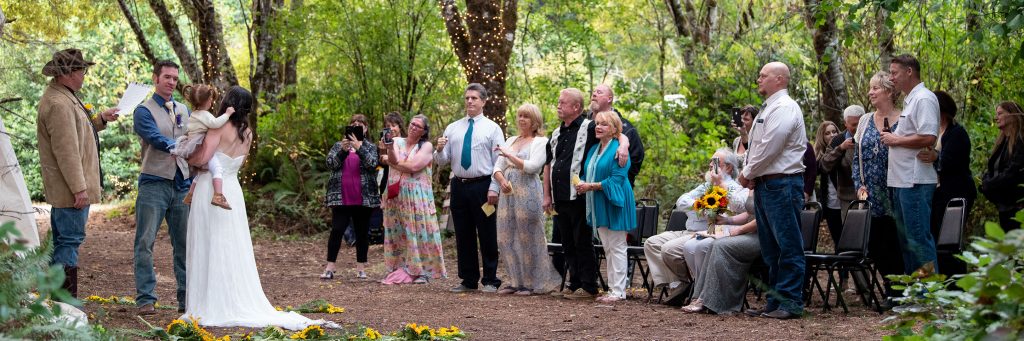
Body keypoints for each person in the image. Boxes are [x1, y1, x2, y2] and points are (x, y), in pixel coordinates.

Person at [181, 86, 331, 329]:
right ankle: (231, 296)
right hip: (232, 190)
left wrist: (186, 154)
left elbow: (201, 159)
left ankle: (209, 303)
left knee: (208, 242)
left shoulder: (217, 127)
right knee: (231, 245)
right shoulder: (248, 133)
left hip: (211, 189)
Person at [36, 48, 120, 299]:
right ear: (67, 74)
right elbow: (67, 151)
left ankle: (57, 304)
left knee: (64, 242)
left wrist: (101, 119)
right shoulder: (59, 103)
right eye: (81, 70)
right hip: (70, 191)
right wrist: (79, 189)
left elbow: (78, 131)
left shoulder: (65, 96)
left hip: (69, 189)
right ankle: (65, 305)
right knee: (68, 243)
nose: (84, 75)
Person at [543, 88, 629, 301]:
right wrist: (546, 195)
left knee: (582, 241)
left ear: (576, 107)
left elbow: (617, 132)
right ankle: (574, 282)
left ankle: (589, 285)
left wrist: (625, 146)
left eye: (563, 102)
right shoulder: (555, 133)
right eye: (558, 102)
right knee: (567, 242)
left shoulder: (590, 127)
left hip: (580, 196)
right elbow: (548, 164)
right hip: (559, 195)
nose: (558, 106)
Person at [737, 61, 807, 319]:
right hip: (767, 184)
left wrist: (747, 174)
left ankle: (791, 302)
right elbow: (755, 147)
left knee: (788, 244)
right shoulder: (768, 108)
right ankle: (775, 301)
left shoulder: (786, 107)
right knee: (770, 248)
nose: (759, 79)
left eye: (763, 75)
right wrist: (752, 173)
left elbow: (771, 146)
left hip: (783, 184)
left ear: (779, 79)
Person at [642, 148, 748, 302]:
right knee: (652, 243)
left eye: (716, 162)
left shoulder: (735, 189)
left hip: (706, 232)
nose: (711, 165)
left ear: (729, 168)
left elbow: (737, 210)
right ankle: (678, 284)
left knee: (669, 249)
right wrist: (700, 205)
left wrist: (715, 204)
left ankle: (688, 287)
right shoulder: (705, 186)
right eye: (711, 161)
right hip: (688, 230)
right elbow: (681, 201)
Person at [434, 83, 506, 293]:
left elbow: (499, 160)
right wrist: (438, 150)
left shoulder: (492, 128)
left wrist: (494, 187)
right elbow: (443, 160)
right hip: (459, 184)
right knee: (463, 234)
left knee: (486, 232)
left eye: (474, 98)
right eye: (467, 98)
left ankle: (490, 279)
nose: (470, 101)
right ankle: (468, 279)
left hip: (483, 185)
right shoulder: (453, 127)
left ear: (483, 101)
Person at [133, 60, 191, 315]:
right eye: (166, 77)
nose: (171, 82)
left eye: (175, 78)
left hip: (181, 183)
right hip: (153, 182)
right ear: (155, 78)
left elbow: (194, 137)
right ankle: (146, 298)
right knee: (145, 242)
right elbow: (154, 138)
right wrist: (177, 147)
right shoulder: (143, 110)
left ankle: (187, 299)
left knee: (184, 244)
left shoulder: (184, 109)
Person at [492, 103, 559, 295]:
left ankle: (531, 283)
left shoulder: (540, 141)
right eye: (520, 116)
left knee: (527, 236)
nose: (522, 120)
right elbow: (496, 166)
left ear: (535, 121)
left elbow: (532, 166)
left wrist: (509, 156)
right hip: (508, 192)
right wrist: (501, 179)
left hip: (528, 190)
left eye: (526, 117)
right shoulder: (511, 139)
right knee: (505, 236)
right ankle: (515, 280)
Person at [882, 54, 939, 277]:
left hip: (914, 181)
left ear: (909, 72)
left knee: (918, 238)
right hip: (901, 180)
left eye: (894, 73)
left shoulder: (924, 98)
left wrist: (895, 140)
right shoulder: (910, 100)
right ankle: (913, 296)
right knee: (906, 241)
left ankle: (930, 297)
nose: (891, 77)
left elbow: (928, 137)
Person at [574, 110, 637, 303]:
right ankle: (612, 288)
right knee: (607, 247)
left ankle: (618, 291)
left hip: (616, 201)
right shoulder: (595, 149)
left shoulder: (619, 149)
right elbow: (590, 172)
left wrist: (590, 186)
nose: (598, 127)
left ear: (614, 129)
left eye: (604, 124)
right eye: (597, 123)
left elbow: (617, 179)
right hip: (599, 202)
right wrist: (581, 183)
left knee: (617, 246)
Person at [853, 71, 905, 300]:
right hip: (870, 192)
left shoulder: (904, 119)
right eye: (870, 88)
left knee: (895, 242)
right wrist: (858, 184)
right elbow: (857, 158)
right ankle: (890, 286)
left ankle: (898, 292)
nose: (870, 92)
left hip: (896, 190)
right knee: (874, 244)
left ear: (889, 91)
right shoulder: (864, 121)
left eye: (875, 88)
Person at [381, 114, 447, 284]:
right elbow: (395, 158)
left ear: (424, 131)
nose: (413, 127)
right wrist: (389, 150)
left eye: (418, 126)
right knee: (400, 231)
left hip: (418, 196)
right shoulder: (396, 142)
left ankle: (422, 271)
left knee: (419, 230)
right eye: (412, 124)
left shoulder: (426, 146)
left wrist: (391, 162)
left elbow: (414, 167)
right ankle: (403, 267)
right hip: (397, 194)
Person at [321, 115, 380, 280]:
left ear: (366, 129)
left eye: (360, 125)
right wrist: (343, 151)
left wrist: (359, 147)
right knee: (337, 230)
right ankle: (330, 267)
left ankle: (361, 268)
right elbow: (330, 164)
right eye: (353, 124)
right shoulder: (339, 145)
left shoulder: (370, 147)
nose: (356, 126)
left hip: (364, 198)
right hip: (341, 198)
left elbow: (372, 164)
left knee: (362, 233)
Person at [681, 192, 759, 315]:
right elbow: (751, 214)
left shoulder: (771, 184)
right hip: (748, 232)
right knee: (713, 244)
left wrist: (739, 229)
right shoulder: (754, 184)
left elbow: (765, 217)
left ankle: (714, 301)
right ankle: (700, 297)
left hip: (762, 235)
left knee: (720, 245)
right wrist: (727, 220)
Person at [919, 91, 976, 238]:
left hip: (955, 193)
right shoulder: (934, 132)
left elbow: (952, 162)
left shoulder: (957, 133)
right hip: (937, 194)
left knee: (949, 239)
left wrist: (935, 157)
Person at [172, 84, 233, 210]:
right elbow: (215, 124)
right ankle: (218, 195)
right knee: (217, 169)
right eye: (211, 99)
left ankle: (190, 194)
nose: (212, 102)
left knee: (200, 173)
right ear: (207, 101)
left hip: (193, 145)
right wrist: (227, 114)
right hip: (201, 146)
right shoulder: (205, 114)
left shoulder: (194, 114)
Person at [819, 106, 864, 245]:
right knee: (851, 238)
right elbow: (824, 165)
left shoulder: (870, 135)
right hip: (848, 198)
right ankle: (851, 266)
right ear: (845, 123)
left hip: (870, 195)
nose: (857, 128)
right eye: (853, 125)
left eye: (860, 124)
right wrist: (841, 148)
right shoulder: (838, 140)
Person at [586, 84, 645, 185]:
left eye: (599, 92)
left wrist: (620, 180)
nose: (594, 94)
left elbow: (637, 156)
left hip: (615, 190)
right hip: (585, 190)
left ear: (609, 99)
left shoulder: (625, 127)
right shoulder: (584, 124)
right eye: (594, 92)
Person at [980, 101, 1024, 231]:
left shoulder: (1021, 140)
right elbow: (992, 167)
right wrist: (985, 181)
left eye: (1000, 114)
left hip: (1018, 207)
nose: (996, 117)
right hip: (1004, 206)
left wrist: (990, 184)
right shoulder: (1002, 142)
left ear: (1012, 115)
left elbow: (1013, 172)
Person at [814, 121, 843, 243]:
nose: (832, 135)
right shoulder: (820, 157)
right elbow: (815, 171)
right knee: (838, 241)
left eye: (834, 131)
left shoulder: (845, 150)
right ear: (822, 137)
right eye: (827, 133)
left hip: (846, 203)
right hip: (831, 205)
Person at [378, 112, 405, 195]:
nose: (391, 129)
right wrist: (382, 151)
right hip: (387, 182)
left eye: (394, 125)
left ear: (399, 127)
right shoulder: (383, 142)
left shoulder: (406, 142)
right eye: (388, 126)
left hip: (404, 182)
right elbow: (380, 167)